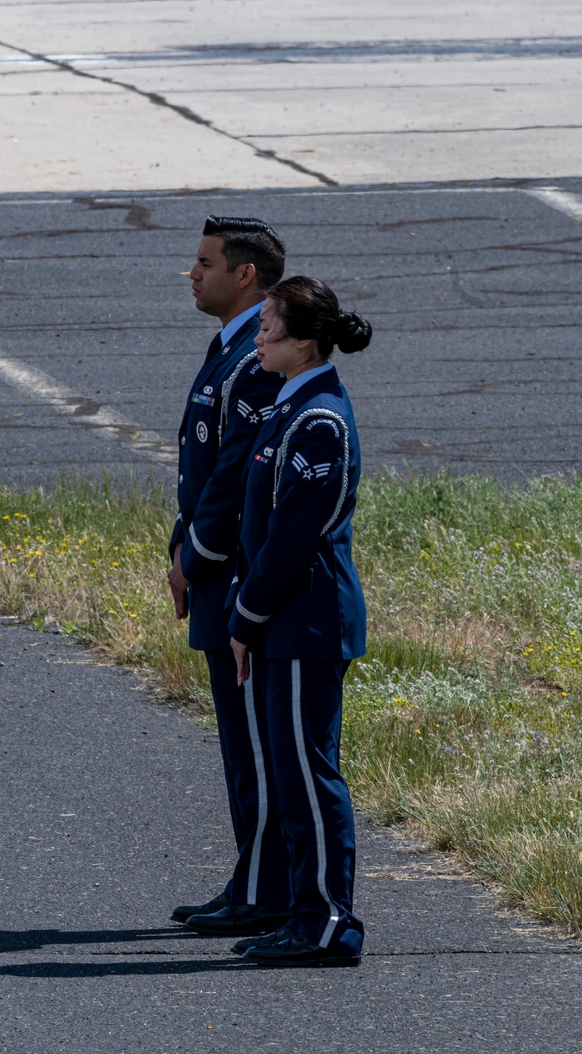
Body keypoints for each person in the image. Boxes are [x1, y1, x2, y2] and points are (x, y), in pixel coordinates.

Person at [226, 275, 372, 967]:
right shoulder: (288, 410)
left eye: (268, 328)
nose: (257, 338)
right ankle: (302, 913)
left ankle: (327, 924)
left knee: (310, 777)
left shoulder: (318, 422)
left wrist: (246, 616)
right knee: (290, 776)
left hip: (304, 621)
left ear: (304, 342)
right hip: (285, 621)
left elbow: (291, 538)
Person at [168, 216, 292, 938]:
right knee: (240, 745)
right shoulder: (230, 350)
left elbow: (232, 476)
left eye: (205, 261)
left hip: (236, 576)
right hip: (217, 571)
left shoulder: (253, 356)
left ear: (244, 274)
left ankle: (264, 889)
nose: (194, 273)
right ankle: (254, 879)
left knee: (254, 745)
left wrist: (195, 556)